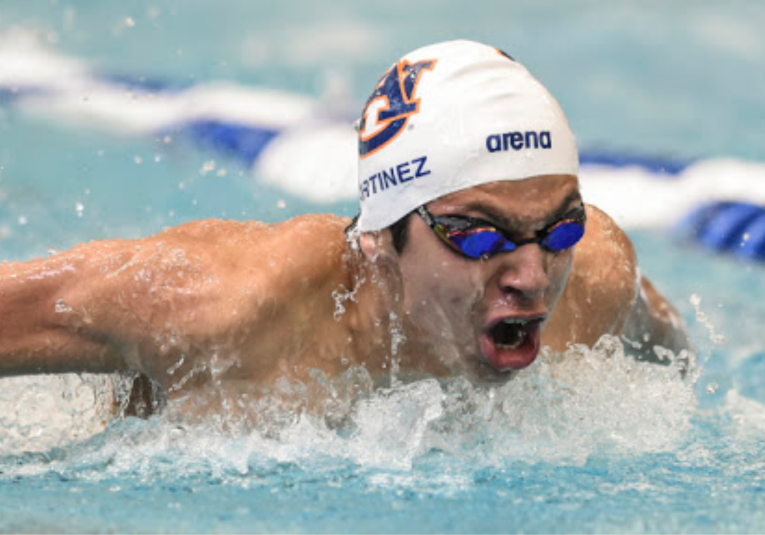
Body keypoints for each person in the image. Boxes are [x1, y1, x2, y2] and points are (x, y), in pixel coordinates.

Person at [0, 40, 687, 416]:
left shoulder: (596, 272)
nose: (532, 276)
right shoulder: (227, 307)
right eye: (478, 236)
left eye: (556, 228)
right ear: (381, 236)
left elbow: (670, 357)